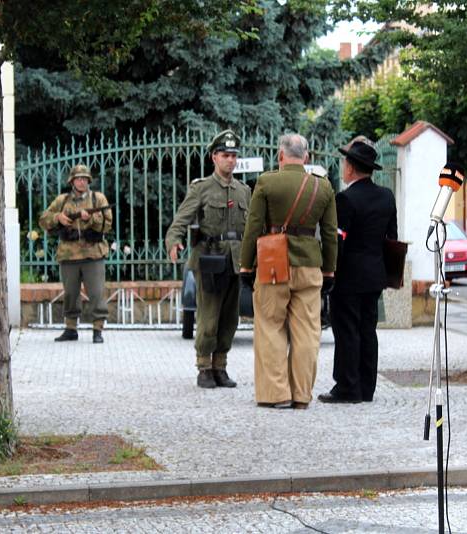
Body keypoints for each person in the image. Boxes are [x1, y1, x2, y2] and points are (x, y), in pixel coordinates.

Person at [240, 133, 337, 409]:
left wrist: (246, 265)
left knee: (270, 326)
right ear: (305, 157)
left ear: (280, 156)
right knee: (307, 332)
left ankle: (276, 393)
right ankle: (302, 395)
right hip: (309, 266)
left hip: (273, 265)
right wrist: (329, 270)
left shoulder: (267, 182)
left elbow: (253, 227)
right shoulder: (323, 188)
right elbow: (329, 234)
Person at [165, 130, 251, 388]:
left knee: (229, 317)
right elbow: (181, 220)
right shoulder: (201, 188)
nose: (231, 161)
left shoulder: (244, 190)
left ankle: (220, 366)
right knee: (209, 315)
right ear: (214, 157)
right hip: (210, 259)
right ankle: (204, 366)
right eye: (225, 155)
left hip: (236, 260)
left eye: (234, 156)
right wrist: (174, 241)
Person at [318, 139, 397, 404]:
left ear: (351, 168)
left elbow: (338, 241)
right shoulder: (387, 196)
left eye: (344, 163)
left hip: (349, 277)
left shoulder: (346, 198)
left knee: (346, 331)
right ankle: (367, 387)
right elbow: (392, 238)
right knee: (367, 330)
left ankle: (347, 387)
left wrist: (330, 273)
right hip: (375, 274)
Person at [39, 164, 113, 344]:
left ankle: (98, 329)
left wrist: (92, 218)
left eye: (84, 178)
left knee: (96, 293)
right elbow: (43, 220)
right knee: (71, 293)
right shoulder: (62, 201)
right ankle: (71, 328)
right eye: (78, 178)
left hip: (93, 253)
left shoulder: (98, 199)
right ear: (72, 181)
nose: (81, 181)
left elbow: (107, 224)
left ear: (89, 180)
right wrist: (58, 218)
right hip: (69, 254)